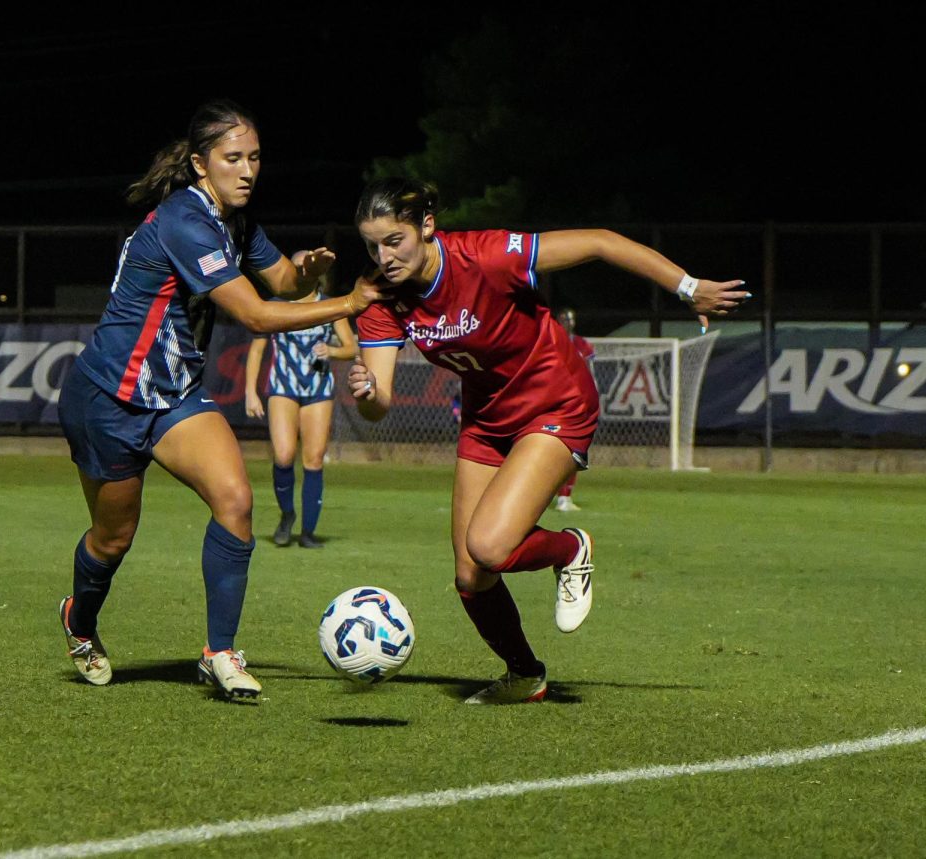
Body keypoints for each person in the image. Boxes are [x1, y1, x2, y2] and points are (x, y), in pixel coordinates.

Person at [347, 177, 746, 704]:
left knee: (489, 545)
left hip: (556, 403)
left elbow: (602, 241)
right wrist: (367, 390)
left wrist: (687, 287)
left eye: (394, 239)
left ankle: (570, 547)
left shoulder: (486, 257)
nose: (384, 255)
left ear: (426, 226)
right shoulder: (381, 297)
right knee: (471, 575)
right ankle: (524, 674)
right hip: (487, 421)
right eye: (372, 244)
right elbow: (378, 408)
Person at [55, 99, 386, 701]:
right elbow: (256, 313)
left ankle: (219, 653)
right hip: (110, 398)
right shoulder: (185, 219)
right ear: (201, 164)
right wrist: (347, 304)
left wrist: (308, 270)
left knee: (235, 500)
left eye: (255, 157)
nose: (247, 169)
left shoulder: (234, 220)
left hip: (174, 396)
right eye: (233, 157)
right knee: (113, 538)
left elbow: (282, 283)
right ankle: (80, 621)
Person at [243, 282, 359, 548]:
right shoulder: (274, 305)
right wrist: (250, 391)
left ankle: (308, 532)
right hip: (283, 387)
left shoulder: (330, 305)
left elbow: (351, 347)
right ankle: (287, 514)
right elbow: (257, 349)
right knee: (283, 455)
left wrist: (331, 350)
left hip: (318, 388)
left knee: (314, 459)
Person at [551, 307, 595, 512]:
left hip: (577, 404)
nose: (569, 322)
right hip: (553, 403)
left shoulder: (582, 345)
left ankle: (565, 496)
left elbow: (590, 373)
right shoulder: (550, 341)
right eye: (564, 318)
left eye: (571, 319)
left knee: (575, 451)